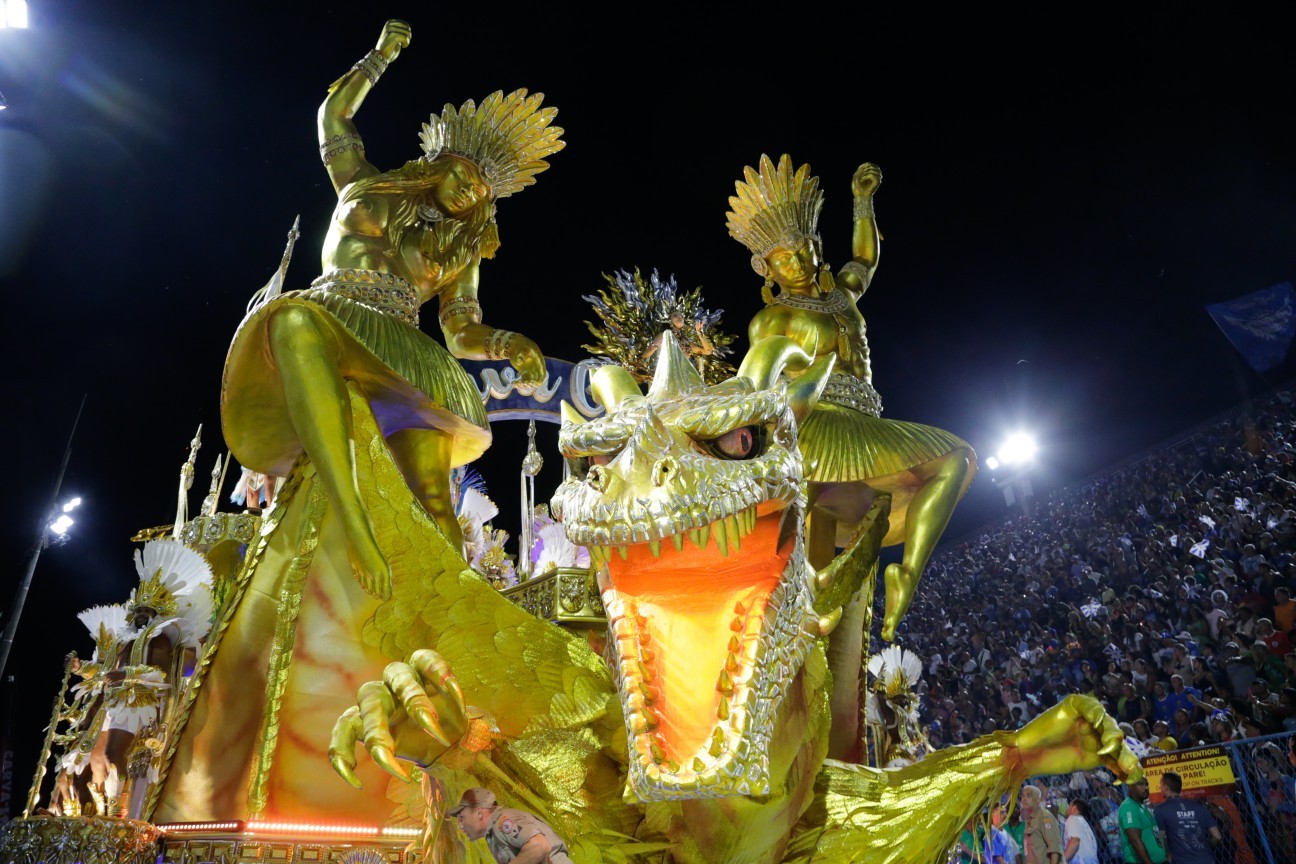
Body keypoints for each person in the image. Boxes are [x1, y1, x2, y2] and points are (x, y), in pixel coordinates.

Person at [153, 21, 563, 824]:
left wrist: (506, 343)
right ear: (440, 163)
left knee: (436, 499)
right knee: (296, 325)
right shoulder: (368, 184)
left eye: (485, 190)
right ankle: (352, 518)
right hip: (337, 320)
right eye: (464, 173)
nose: (471, 191)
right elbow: (332, 121)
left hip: (408, 356)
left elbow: (465, 329)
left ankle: (450, 651)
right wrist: (380, 59)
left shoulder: (460, 245)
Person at [726, 154, 975, 640]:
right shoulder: (771, 320)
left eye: (804, 249)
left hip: (864, 421)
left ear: (816, 245)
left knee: (956, 459)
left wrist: (862, 202)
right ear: (767, 268)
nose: (797, 262)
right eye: (783, 257)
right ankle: (785, 623)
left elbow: (864, 260)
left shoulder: (840, 296)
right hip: (810, 426)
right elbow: (758, 381)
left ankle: (907, 571)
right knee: (801, 524)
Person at [447, 786, 573, 864]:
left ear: (479, 813)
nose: (461, 826)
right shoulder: (493, 836)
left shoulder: (503, 821)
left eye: (462, 818)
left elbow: (539, 845)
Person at [1151, 771, 1220, 864]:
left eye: (1161, 785)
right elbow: (1217, 836)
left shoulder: (1160, 810)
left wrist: (1168, 855)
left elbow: (1160, 839)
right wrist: (1202, 845)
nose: (1160, 788)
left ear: (1166, 787)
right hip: (1206, 859)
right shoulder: (1199, 807)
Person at [1117, 777, 1167, 864]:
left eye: (1146, 784)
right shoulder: (1129, 807)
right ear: (1130, 786)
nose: (1146, 787)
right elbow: (1135, 841)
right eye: (1140, 784)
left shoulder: (1141, 806)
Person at [1022, 783, 1064, 864]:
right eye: (1023, 796)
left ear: (1038, 799)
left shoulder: (1045, 817)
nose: (1024, 799)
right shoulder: (1029, 819)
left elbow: (1055, 849)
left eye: (1029, 795)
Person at [1063, 797, 1101, 864]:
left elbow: (1075, 842)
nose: (1067, 808)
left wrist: (1062, 860)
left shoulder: (1073, 819)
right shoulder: (1083, 822)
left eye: (1070, 805)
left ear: (1074, 808)